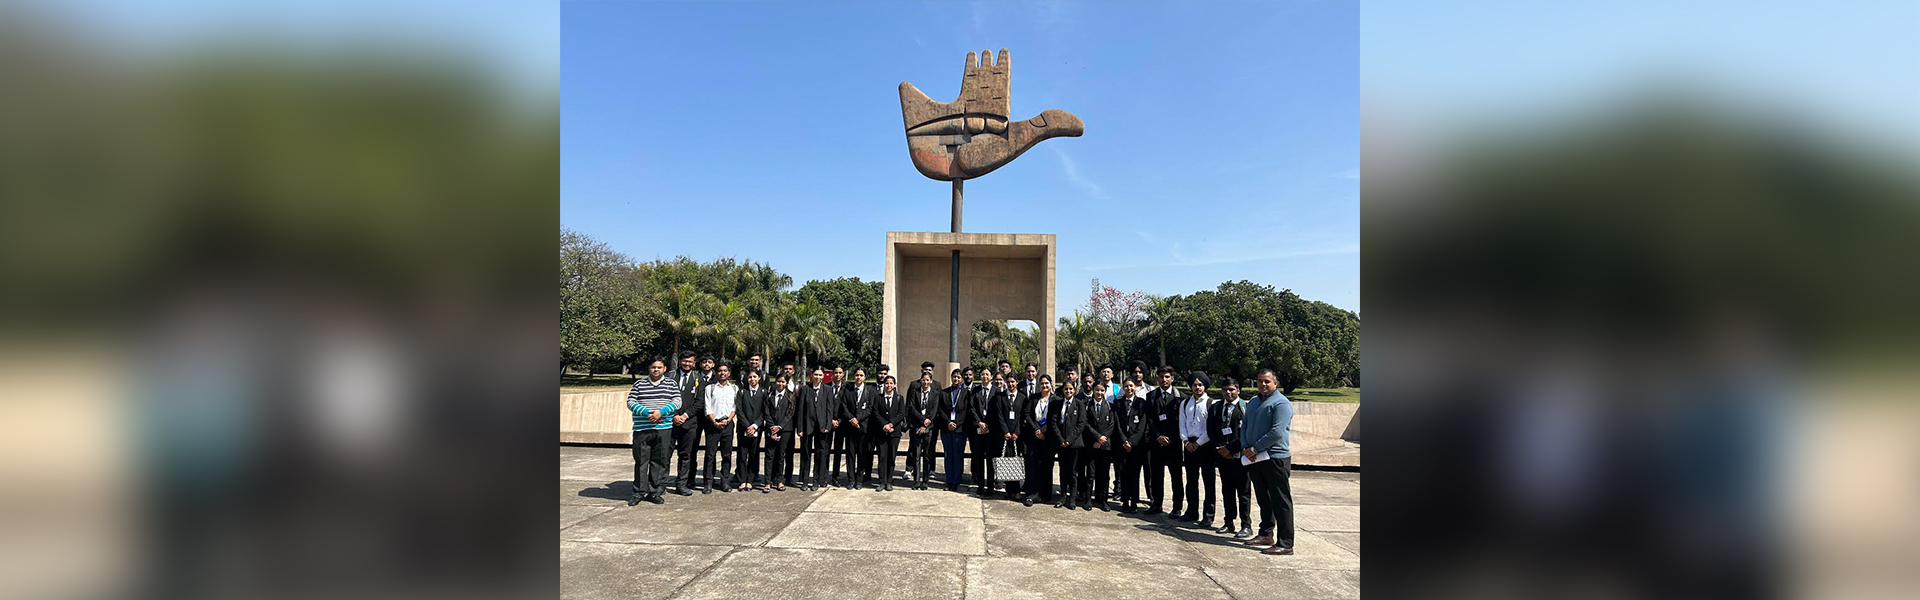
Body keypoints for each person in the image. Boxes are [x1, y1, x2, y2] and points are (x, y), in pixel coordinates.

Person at [1241, 369, 1296, 555]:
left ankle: (1285, 543)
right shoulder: (1253, 402)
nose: (1263, 384)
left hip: (1274, 458)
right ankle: (1265, 534)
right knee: (1263, 498)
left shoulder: (1281, 403)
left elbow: (1277, 432)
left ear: (1275, 383)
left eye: (1267, 381)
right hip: (1255, 458)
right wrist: (1246, 447)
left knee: (1280, 500)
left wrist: (1255, 448)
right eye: (1260, 381)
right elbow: (1245, 425)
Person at [625, 357, 678, 506]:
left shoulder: (671, 384)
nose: (656, 370)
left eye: (659, 367)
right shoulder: (639, 384)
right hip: (642, 428)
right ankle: (639, 492)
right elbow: (630, 401)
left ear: (664, 369)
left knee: (659, 461)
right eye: (653, 367)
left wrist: (661, 412)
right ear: (649, 368)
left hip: (663, 428)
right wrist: (646, 412)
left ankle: (654, 492)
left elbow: (677, 401)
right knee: (641, 461)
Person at [1178, 372, 1218, 525]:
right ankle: (1191, 511)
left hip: (1205, 445)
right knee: (1191, 480)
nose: (1197, 388)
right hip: (1189, 444)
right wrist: (1186, 441)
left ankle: (1208, 515)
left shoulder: (1211, 403)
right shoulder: (1185, 403)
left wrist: (1199, 443)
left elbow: (1211, 428)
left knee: (1208, 481)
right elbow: (1182, 424)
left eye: (1200, 385)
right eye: (1195, 385)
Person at [1214, 379, 1252, 536]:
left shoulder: (1245, 408)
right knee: (1227, 490)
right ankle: (1228, 522)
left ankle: (1246, 525)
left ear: (1238, 390)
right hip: (1223, 456)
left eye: (1231, 390)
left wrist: (1231, 448)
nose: (1228, 393)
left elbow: (1247, 433)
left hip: (1240, 456)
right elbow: (1211, 429)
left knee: (1243, 492)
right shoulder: (1217, 407)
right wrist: (1220, 448)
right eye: (1225, 390)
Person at [1147, 366, 1186, 515]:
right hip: (1156, 442)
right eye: (1161, 377)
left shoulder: (1180, 397)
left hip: (1173, 443)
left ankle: (1177, 507)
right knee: (1156, 476)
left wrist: (1170, 437)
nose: (1164, 380)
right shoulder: (1151, 396)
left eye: (1167, 377)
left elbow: (1180, 421)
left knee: (1176, 476)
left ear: (1172, 378)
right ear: (1157, 378)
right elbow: (1149, 419)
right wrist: (1158, 436)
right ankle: (1156, 504)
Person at [670, 351, 706, 496]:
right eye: (685, 361)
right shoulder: (670, 377)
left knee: (686, 455)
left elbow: (700, 402)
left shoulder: (698, 378)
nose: (687, 364)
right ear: (680, 361)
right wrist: (674, 415)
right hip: (670, 422)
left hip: (689, 423)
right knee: (665, 455)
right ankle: (659, 484)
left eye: (690, 361)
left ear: (694, 363)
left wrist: (685, 415)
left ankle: (681, 484)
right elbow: (664, 398)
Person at [796, 366, 837, 492]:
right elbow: (800, 410)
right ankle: (805, 480)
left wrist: (828, 426)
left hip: (821, 427)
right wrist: (800, 428)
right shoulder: (805, 389)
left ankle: (816, 480)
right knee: (806, 454)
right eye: (816, 374)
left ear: (823, 376)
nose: (818, 377)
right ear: (812, 375)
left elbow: (829, 409)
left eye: (820, 375)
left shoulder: (828, 389)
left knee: (820, 454)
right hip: (807, 426)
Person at [699, 364, 738, 494]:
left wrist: (728, 420)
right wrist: (714, 422)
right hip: (713, 424)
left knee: (726, 454)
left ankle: (725, 482)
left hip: (728, 423)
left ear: (729, 373)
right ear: (717, 373)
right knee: (710, 454)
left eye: (725, 371)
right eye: (720, 371)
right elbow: (707, 407)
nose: (722, 373)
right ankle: (708, 482)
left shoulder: (734, 388)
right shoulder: (710, 388)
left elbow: (734, 407)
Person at [1082, 373, 1118, 511]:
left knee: (1104, 475)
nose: (1099, 393)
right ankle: (1087, 500)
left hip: (1105, 446)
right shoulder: (1086, 406)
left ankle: (1103, 500)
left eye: (1102, 390)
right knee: (1090, 474)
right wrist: (1097, 437)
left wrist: (1103, 439)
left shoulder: (1110, 406)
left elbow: (1112, 424)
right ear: (1093, 390)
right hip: (1091, 445)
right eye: (1097, 390)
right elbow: (1085, 424)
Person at [1117, 377, 1153, 513]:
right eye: (1126, 386)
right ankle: (1125, 500)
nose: (1129, 388)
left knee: (1135, 474)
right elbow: (1117, 424)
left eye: (1131, 386)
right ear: (1123, 388)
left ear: (1135, 388)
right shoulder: (1118, 403)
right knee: (1124, 473)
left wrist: (1132, 442)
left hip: (1136, 445)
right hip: (1122, 444)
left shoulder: (1141, 403)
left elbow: (1142, 425)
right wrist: (1124, 441)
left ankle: (1134, 502)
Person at [1050, 378, 1086, 509]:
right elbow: (1054, 423)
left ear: (1075, 390)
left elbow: (1081, 424)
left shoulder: (1079, 404)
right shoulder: (1057, 404)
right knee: (1063, 471)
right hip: (1061, 443)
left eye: (1071, 389)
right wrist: (1061, 440)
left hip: (1074, 444)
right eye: (1066, 389)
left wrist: (1069, 440)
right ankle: (1063, 496)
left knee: (1072, 472)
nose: (1068, 391)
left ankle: (1072, 497)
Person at [1020, 376, 1056, 506]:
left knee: (1047, 466)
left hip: (1048, 438)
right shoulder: (1033, 398)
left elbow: (1054, 419)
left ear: (1051, 384)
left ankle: (1045, 495)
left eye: (1046, 383)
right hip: (1034, 437)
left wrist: (1043, 431)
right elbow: (1027, 415)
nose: (1044, 386)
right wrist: (1037, 430)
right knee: (1032, 466)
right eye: (1042, 384)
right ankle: (1031, 494)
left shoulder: (1056, 400)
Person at [988, 372, 1024, 500]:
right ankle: (1009, 490)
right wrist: (1005, 431)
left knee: (1015, 462)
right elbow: (999, 415)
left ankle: (1016, 490)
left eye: (1013, 382)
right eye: (1008, 382)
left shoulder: (1022, 397)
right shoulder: (1000, 397)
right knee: (1006, 462)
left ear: (1017, 382)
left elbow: (1022, 416)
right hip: (1004, 435)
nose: (1010, 384)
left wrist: (1016, 432)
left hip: (1016, 436)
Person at [839, 367, 876, 489]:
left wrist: (858, 419)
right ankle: (851, 479)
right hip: (850, 427)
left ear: (865, 377)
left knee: (862, 454)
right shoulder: (848, 389)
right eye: (857, 375)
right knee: (850, 454)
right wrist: (851, 419)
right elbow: (844, 405)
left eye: (861, 375)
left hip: (863, 427)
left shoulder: (870, 391)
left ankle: (859, 479)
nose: (858, 377)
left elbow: (870, 408)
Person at [735, 369, 769, 492]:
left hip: (756, 429)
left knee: (754, 454)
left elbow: (764, 412)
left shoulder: (763, 392)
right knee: (742, 454)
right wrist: (747, 426)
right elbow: (739, 410)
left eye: (755, 377)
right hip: (743, 428)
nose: (752, 379)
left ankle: (751, 479)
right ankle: (742, 480)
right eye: (750, 377)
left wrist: (754, 426)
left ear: (759, 378)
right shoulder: (742, 392)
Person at [937, 367, 970, 492]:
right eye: (954, 377)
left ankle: (956, 480)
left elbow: (966, 411)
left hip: (960, 429)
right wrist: (948, 422)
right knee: (948, 454)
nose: (956, 379)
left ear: (961, 379)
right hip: (946, 428)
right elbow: (940, 410)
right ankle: (949, 479)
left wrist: (956, 423)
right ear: (951, 378)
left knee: (958, 455)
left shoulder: (966, 393)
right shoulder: (944, 393)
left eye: (958, 377)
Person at [966, 367, 997, 496]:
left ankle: (990, 486)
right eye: (983, 374)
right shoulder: (975, 390)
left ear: (991, 377)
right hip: (978, 429)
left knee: (990, 460)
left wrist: (987, 424)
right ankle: (980, 485)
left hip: (991, 430)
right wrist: (979, 423)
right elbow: (971, 408)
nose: (985, 377)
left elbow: (997, 410)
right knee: (978, 458)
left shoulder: (996, 391)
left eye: (987, 374)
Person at [872, 376, 906, 491]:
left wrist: (891, 424)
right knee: (882, 457)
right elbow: (876, 413)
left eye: (891, 383)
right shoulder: (878, 398)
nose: (889, 385)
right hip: (881, 432)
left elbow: (901, 414)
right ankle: (882, 482)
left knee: (891, 457)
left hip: (894, 432)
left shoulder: (899, 398)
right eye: (887, 383)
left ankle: (889, 481)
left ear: (895, 385)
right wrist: (884, 425)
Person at [906, 369, 937, 490]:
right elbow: (912, 408)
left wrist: (927, 422)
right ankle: (916, 481)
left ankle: (925, 481)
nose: (925, 382)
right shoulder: (915, 392)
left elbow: (934, 410)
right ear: (920, 381)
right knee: (916, 455)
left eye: (927, 380)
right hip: (917, 427)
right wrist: (922, 421)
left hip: (929, 427)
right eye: (923, 380)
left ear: (931, 381)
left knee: (927, 455)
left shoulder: (935, 393)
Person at [764, 371, 795, 492]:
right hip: (770, 429)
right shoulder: (769, 395)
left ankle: (779, 480)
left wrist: (780, 427)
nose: (780, 384)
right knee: (769, 455)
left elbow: (790, 413)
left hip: (785, 430)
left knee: (781, 455)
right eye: (778, 381)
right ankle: (767, 482)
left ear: (786, 383)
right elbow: (766, 412)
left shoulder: (790, 396)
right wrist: (772, 427)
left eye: (783, 382)